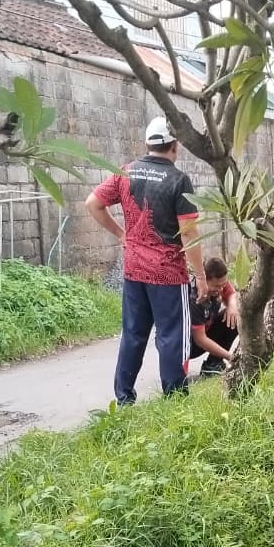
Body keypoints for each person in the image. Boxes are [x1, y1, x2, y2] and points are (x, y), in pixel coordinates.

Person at [87, 116, 205, 405]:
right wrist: (200, 276)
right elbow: (188, 233)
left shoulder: (126, 172)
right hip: (168, 274)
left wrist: (120, 234)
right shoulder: (179, 180)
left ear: (148, 143)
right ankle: (175, 399)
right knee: (172, 337)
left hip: (134, 270)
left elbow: (93, 203)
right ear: (175, 145)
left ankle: (124, 398)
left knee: (133, 334)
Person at [189, 256, 239, 376]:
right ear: (204, 281)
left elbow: (231, 294)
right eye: (217, 286)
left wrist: (232, 307)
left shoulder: (219, 285)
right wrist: (231, 357)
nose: (221, 289)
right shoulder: (194, 299)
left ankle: (213, 363)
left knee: (235, 316)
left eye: (223, 285)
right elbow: (200, 340)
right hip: (189, 346)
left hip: (206, 332)